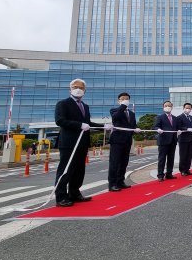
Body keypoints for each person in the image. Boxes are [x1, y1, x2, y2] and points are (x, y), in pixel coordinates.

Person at [54, 78, 111, 207]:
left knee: (79, 170)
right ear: (70, 89)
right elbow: (60, 121)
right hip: (69, 142)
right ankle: (61, 196)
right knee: (66, 169)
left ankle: (74, 193)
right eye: (75, 87)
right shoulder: (63, 104)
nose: (78, 89)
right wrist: (79, 125)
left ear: (85, 90)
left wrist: (103, 126)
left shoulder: (85, 106)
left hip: (83, 143)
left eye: (81, 87)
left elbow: (88, 123)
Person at [108, 92, 141, 192]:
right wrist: (123, 106)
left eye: (127, 99)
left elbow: (132, 125)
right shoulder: (114, 110)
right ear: (119, 101)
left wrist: (136, 129)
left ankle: (120, 181)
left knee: (124, 162)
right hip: (117, 140)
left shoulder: (132, 113)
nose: (125, 100)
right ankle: (112, 184)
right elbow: (116, 118)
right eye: (122, 99)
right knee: (115, 162)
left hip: (127, 140)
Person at [154, 101, 178, 182]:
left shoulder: (175, 118)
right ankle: (160, 175)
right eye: (166, 105)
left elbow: (178, 127)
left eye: (169, 105)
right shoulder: (160, 117)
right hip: (163, 141)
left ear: (172, 107)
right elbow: (156, 126)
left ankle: (169, 174)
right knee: (162, 159)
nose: (167, 107)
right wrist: (158, 129)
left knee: (171, 158)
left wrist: (181, 130)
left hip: (173, 141)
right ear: (163, 107)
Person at [176, 103, 192, 176]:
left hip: (190, 138)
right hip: (183, 139)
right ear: (183, 108)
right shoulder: (179, 117)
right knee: (183, 155)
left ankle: (187, 169)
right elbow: (179, 127)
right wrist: (187, 129)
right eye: (186, 108)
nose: (188, 109)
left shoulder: (191, 117)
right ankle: (182, 170)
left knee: (189, 155)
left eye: (189, 108)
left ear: (191, 109)